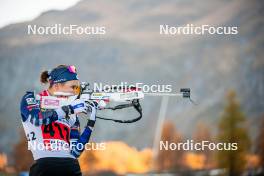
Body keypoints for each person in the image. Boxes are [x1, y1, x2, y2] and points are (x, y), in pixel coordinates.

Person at [20, 65, 96, 176]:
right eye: (74, 87)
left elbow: (76, 151)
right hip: (45, 165)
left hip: (71, 166)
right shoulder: (32, 98)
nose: (76, 92)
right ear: (56, 86)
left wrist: (91, 123)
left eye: (78, 88)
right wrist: (69, 109)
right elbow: (37, 119)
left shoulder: (71, 109)